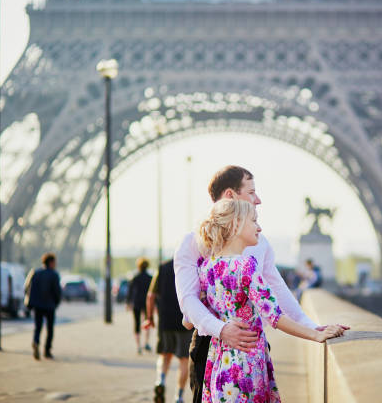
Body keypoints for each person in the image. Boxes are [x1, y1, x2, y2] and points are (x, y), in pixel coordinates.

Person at [174, 165, 349, 403]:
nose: (258, 199)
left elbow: (277, 288)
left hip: (235, 352)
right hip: (214, 347)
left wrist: (311, 325)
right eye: (251, 192)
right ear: (230, 196)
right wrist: (222, 329)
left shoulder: (251, 246)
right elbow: (188, 302)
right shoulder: (192, 244)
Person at [143, 260, 194, 403]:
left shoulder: (162, 267)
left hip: (165, 320)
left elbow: (150, 296)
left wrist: (149, 318)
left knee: (165, 355)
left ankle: (161, 380)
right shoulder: (190, 265)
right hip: (185, 321)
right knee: (184, 359)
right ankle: (179, 396)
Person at [26, 252, 62, 360]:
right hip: (49, 305)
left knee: (38, 327)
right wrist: (56, 302)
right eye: (55, 262)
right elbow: (57, 291)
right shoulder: (54, 274)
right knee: (50, 329)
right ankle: (47, 351)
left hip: (37, 305)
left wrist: (31, 302)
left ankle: (36, 341)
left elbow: (27, 287)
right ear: (51, 262)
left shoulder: (35, 273)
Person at [127, 257, 153, 354]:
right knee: (147, 321)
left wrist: (128, 302)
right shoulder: (150, 278)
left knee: (137, 324)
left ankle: (138, 347)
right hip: (147, 303)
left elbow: (129, 292)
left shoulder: (135, 278)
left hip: (136, 303)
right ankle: (146, 343)